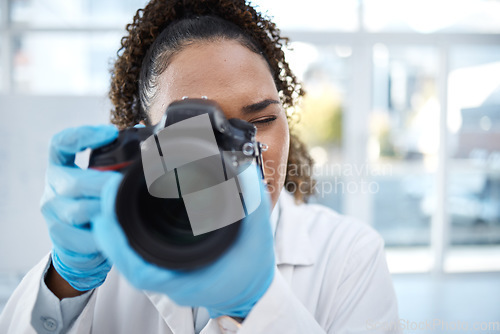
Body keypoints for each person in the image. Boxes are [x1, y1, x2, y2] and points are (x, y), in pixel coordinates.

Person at [0, 0, 401, 333]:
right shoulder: (104, 255)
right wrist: (66, 285)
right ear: (148, 144)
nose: (239, 154)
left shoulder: (349, 254)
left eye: (260, 122)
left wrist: (257, 305)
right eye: (197, 129)